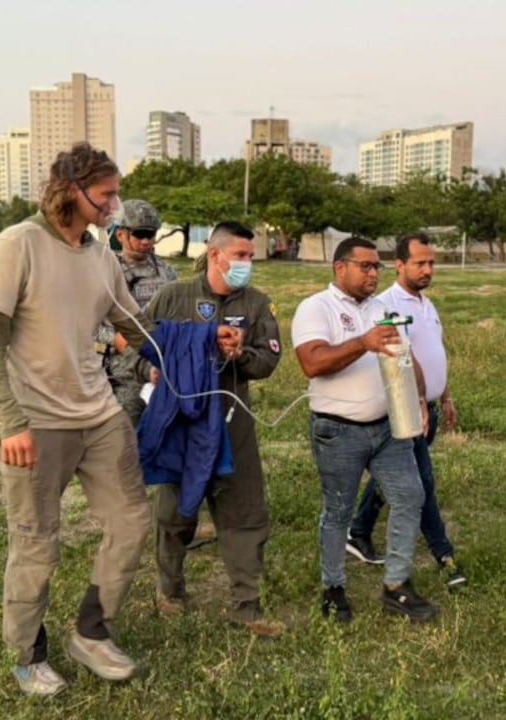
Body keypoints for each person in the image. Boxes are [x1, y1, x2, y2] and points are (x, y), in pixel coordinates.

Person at [0, 142, 242, 696]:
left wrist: (204, 338)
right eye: (107, 194)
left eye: (116, 193)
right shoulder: (17, 245)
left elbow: (138, 327)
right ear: (72, 190)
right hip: (35, 422)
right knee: (37, 541)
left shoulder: (100, 259)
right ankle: (27, 653)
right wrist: (11, 419)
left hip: (99, 415)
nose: (115, 206)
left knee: (131, 523)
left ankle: (92, 632)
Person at [145, 221, 285, 636]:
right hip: (182, 421)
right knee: (173, 511)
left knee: (244, 512)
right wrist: (149, 369)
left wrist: (240, 354)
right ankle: (169, 592)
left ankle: (246, 606)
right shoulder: (174, 297)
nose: (247, 264)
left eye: (250, 257)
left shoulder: (257, 304)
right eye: (240, 256)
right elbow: (139, 343)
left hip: (231, 419)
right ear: (215, 254)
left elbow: (268, 361)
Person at [292, 236, 438, 623]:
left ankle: (396, 585)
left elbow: (404, 355)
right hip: (338, 430)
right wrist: (363, 342)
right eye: (366, 266)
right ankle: (334, 587)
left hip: (388, 428)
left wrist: (420, 398)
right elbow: (313, 363)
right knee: (338, 509)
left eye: (378, 267)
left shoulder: (382, 308)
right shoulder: (315, 308)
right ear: (341, 267)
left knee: (410, 496)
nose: (374, 273)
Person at [346, 232, 467, 588]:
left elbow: (433, 353)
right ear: (399, 265)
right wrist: (414, 403)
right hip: (404, 410)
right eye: (420, 263)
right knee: (422, 483)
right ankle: (444, 556)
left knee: (398, 478)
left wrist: (445, 397)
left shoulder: (427, 305)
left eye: (431, 263)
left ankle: (359, 531)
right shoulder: (387, 306)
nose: (428, 269)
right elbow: (397, 363)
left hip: (428, 407)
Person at [103, 199, 179, 428]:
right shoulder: (106, 271)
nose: (146, 241)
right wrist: (139, 362)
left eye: (151, 234)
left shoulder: (167, 272)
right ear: (120, 235)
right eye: (139, 234)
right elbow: (98, 328)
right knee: (126, 439)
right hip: (124, 369)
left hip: (163, 365)